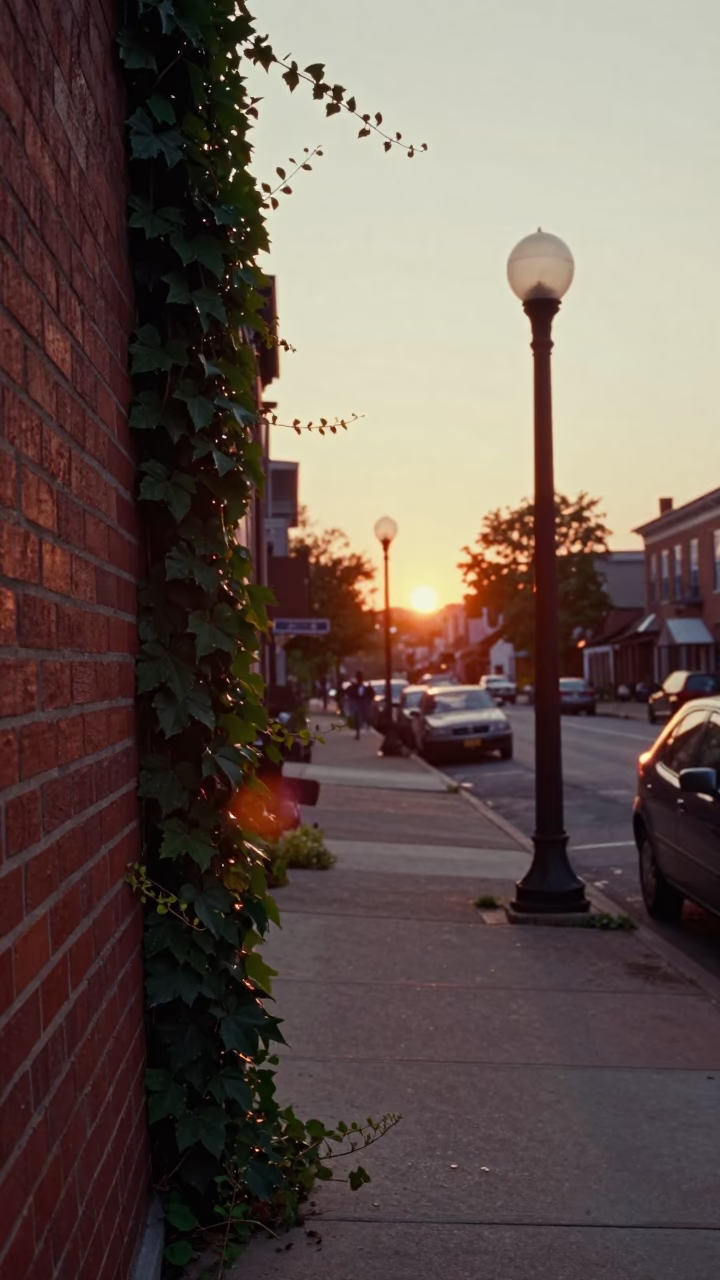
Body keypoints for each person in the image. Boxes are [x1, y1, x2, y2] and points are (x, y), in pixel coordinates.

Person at [345, 671, 369, 740]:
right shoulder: (354, 686)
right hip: (357, 703)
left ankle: (360, 730)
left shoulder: (362, 687)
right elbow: (348, 693)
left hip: (360, 703)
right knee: (357, 718)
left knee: (359, 717)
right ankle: (358, 732)